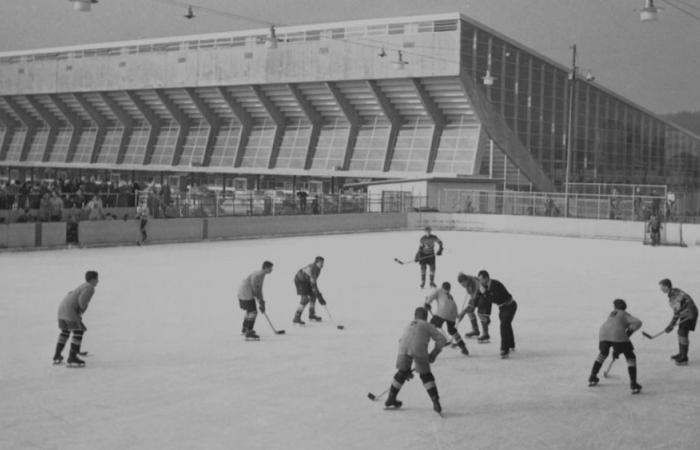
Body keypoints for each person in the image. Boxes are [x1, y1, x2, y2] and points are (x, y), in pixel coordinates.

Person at [384, 306, 447, 414]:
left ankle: (391, 397)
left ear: (415, 316)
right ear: (426, 317)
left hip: (402, 348)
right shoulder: (427, 325)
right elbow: (442, 339)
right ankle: (435, 401)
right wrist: (434, 354)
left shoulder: (408, 324)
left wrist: (405, 369)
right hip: (418, 349)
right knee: (425, 375)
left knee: (402, 372)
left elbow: (402, 340)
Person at [588, 299, 642, 394]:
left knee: (603, 353)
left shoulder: (612, 313)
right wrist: (629, 331)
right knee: (630, 356)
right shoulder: (624, 314)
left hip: (603, 333)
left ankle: (592, 376)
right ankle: (634, 384)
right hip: (618, 335)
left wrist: (616, 351)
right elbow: (638, 322)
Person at [53, 271, 99, 367]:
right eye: (97, 279)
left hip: (62, 309)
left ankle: (57, 356)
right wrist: (82, 309)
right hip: (70, 312)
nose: (98, 281)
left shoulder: (83, 285)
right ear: (93, 279)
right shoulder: (90, 287)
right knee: (78, 331)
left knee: (65, 332)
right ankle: (72, 358)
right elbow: (82, 302)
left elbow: (70, 293)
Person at [477, 270, 517, 358]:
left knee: (504, 325)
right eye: (479, 280)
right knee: (506, 324)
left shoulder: (495, 284)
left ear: (486, 278)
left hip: (510, 306)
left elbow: (496, 297)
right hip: (502, 308)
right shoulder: (485, 287)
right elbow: (487, 302)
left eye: (481, 279)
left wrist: (485, 293)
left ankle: (504, 350)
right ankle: (511, 345)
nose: (480, 282)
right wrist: (487, 316)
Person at [659, 279, 698, 366]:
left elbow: (677, 312)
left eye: (662, 287)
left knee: (683, 333)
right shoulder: (674, 291)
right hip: (685, 313)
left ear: (666, 287)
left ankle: (684, 358)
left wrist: (671, 325)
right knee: (680, 332)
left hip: (689, 314)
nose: (661, 289)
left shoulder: (674, 295)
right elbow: (679, 310)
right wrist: (671, 325)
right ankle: (681, 353)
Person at [425, 282, 469, 355]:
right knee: (452, 330)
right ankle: (463, 346)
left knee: (430, 327)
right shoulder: (450, 295)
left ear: (442, 287)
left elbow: (430, 297)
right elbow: (453, 306)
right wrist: (457, 316)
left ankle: (440, 341)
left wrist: (427, 303)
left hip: (442, 312)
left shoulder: (439, 290)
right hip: (453, 314)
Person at [237, 261, 273, 340]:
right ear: (265, 268)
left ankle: (245, 329)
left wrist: (262, 302)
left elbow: (259, 290)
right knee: (253, 312)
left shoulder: (262, 274)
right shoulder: (258, 275)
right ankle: (248, 332)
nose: (271, 270)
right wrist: (260, 302)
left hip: (245, 292)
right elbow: (255, 289)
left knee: (250, 311)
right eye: (270, 268)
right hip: (246, 292)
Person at [292, 256, 326, 325]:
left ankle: (311, 314)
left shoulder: (318, 268)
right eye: (321, 263)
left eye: (323, 263)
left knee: (313, 295)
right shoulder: (314, 269)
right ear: (316, 263)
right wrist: (319, 296)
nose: (322, 264)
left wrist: (317, 294)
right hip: (300, 280)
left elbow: (313, 282)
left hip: (307, 280)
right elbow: (313, 284)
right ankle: (296, 317)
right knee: (305, 298)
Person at [456, 273, 483, 339]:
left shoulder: (474, 284)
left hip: (482, 296)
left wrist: (463, 313)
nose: (462, 286)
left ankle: (485, 334)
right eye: (461, 285)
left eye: (463, 284)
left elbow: (473, 300)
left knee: (478, 312)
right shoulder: (468, 281)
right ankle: (475, 330)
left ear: (466, 280)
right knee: (470, 311)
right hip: (475, 295)